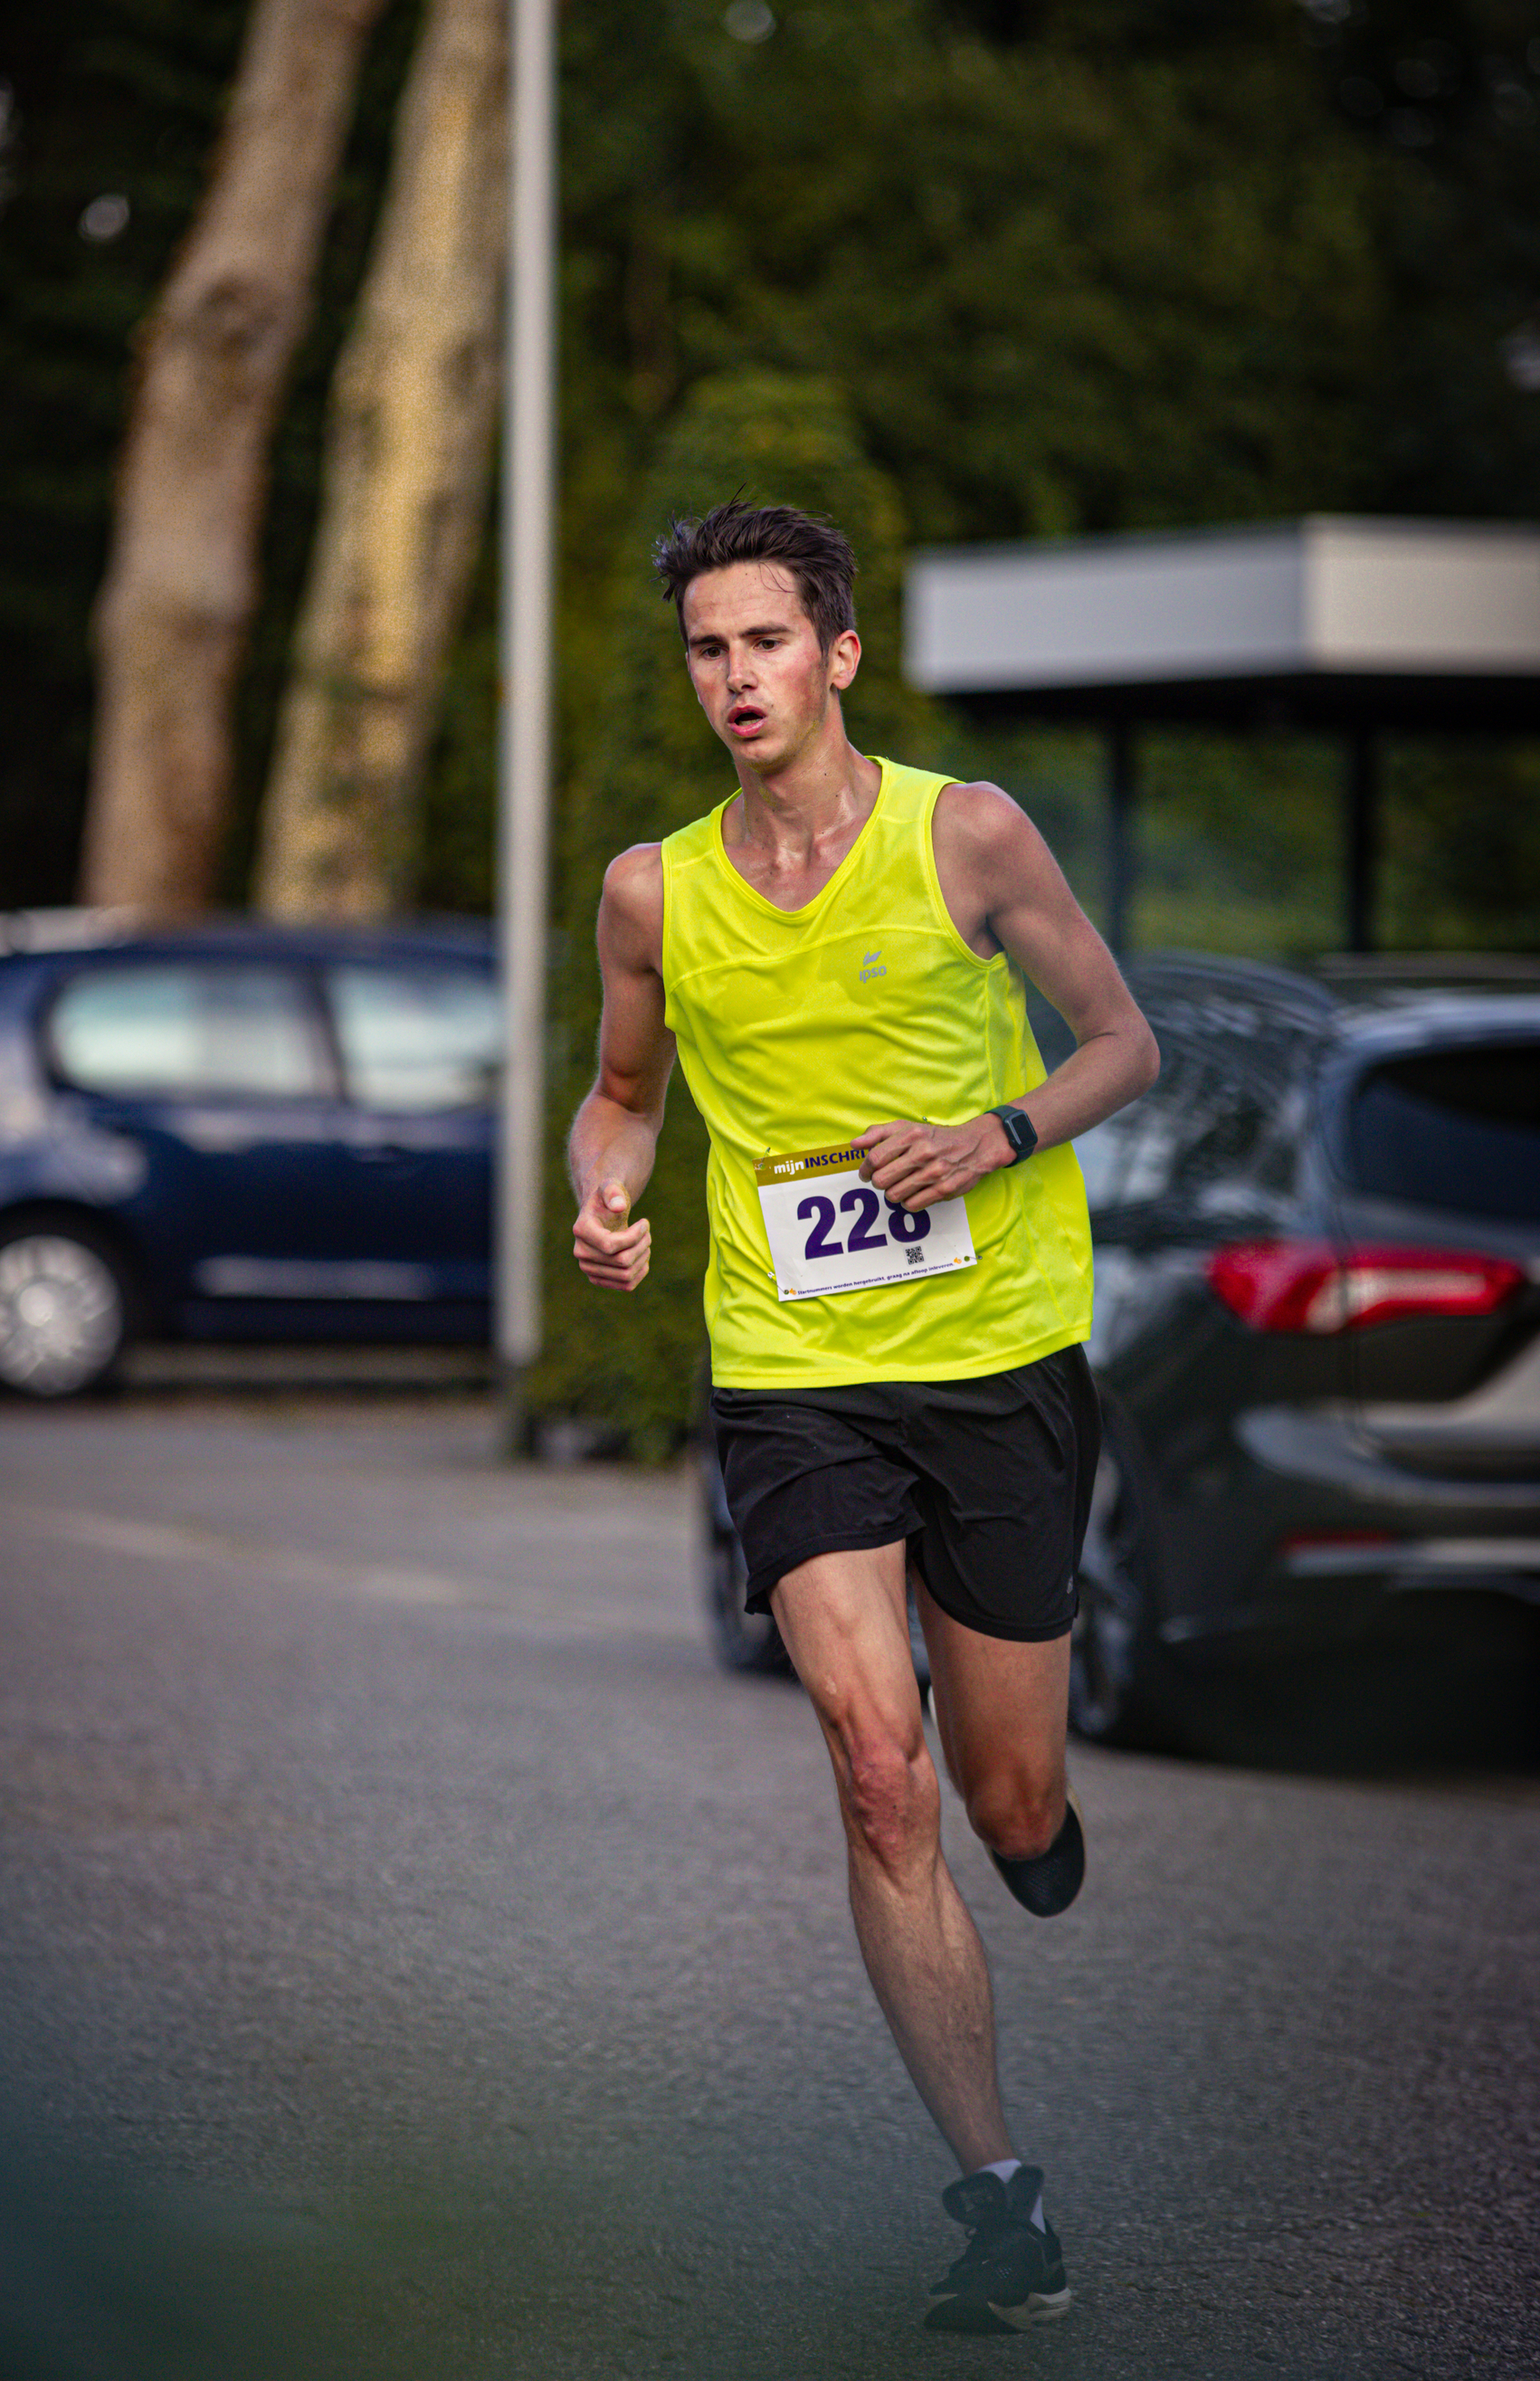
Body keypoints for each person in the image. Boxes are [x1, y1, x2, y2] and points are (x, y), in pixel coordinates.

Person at [566, 499, 1159, 2335]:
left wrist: (990, 1137)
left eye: (762, 641)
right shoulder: (653, 888)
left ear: (834, 654)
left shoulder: (964, 834)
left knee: (994, 1784)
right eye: (704, 648)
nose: (732, 676)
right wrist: (604, 1191)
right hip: (794, 1371)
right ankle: (1001, 2203)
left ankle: (1036, 1821)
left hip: (993, 1357)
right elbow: (618, 1093)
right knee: (873, 1761)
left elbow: (1122, 1043)